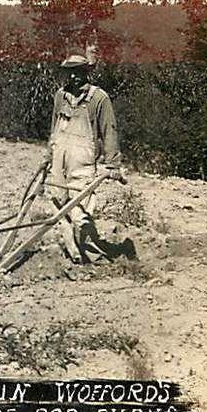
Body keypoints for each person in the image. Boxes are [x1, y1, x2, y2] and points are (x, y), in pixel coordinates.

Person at [44, 53, 123, 265]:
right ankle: (72, 250)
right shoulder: (61, 95)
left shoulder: (99, 99)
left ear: (86, 72)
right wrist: (49, 154)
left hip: (83, 159)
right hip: (60, 155)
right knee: (57, 202)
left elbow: (109, 131)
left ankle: (94, 255)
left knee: (80, 208)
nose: (73, 76)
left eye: (78, 71)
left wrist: (112, 164)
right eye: (69, 72)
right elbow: (54, 127)